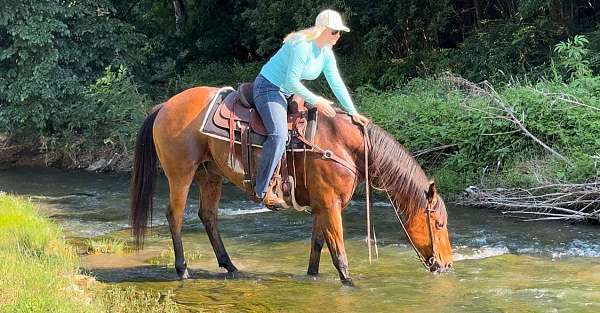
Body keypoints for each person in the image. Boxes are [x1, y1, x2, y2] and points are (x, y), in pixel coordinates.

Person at [253, 9, 369, 207]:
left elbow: (336, 83)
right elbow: (291, 80)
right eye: (335, 31)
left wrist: (353, 112)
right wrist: (317, 100)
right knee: (279, 135)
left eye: (339, 32)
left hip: (289, 92)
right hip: (269, 88)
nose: (338, 36)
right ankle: (262, 189)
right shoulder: (301, 45)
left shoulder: (326, 52)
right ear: (323, 30)